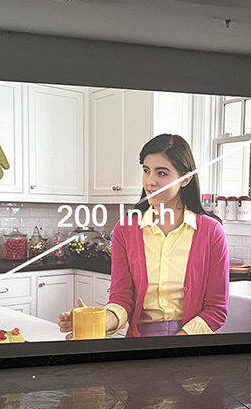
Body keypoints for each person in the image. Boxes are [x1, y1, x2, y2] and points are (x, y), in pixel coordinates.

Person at [59, 134, 229, 338]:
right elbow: (121, 299)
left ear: (185, 178)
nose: (150, 181)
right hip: (141, 342)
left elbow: (216, 308)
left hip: (189, 342)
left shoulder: (212, 232)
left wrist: (179, 343)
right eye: (146, 170)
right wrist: (95, 321)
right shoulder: (125, 230)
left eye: (161, 173)